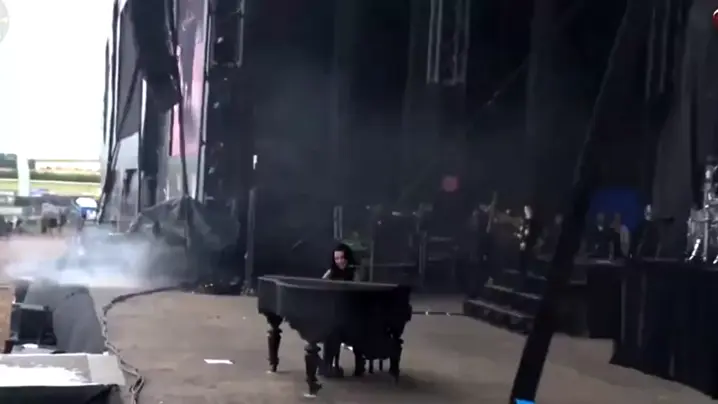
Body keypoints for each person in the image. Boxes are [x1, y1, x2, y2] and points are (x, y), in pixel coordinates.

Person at [320, 243, 365, 377]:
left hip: (352, 312)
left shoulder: (355, 272)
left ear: (348, 258)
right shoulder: (331, 272)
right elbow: (320, 285)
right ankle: (327, 364)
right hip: (335, 311)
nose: (339, 261)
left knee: (342, 329)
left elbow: (359, 291)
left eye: (342, 258)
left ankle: (358, 364)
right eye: (336, 258)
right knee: (331, 330)